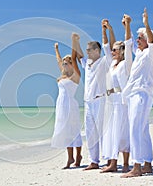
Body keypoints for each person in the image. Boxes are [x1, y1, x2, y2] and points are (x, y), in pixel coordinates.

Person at [121, 8, 153, 178]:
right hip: (134, 94)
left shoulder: (152, 53)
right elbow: (128, 42)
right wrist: (127, 26)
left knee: (135, 128)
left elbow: (151, 40)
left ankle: (136, 166)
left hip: (142, 94)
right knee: (142, 129)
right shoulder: (139, 54)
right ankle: (147, 164)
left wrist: (146, 24)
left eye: (140, 37)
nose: (138, 40)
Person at [75, 21, 114, 171]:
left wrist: (105, 31)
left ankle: (110, 159)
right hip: (88, 102)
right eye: (86, 50)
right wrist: (76, 42)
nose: (87, 53)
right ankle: (93, 161)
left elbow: (108, 47)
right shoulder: (88, 63)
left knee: (103, 131)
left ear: (97, 50)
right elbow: (79, 57)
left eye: (89, 50)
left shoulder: (104, 61)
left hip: (100, 100)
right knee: (90, 132)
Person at [101, 18, 132, 173]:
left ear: (121, 51)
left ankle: (126, 163)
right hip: (111, 101)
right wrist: (106, 30)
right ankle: (113, 163)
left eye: (115, 50)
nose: (112, 52)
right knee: (112, 131)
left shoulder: (126, 64)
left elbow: (127, 43)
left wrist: (127, 26)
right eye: (113, 50)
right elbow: (107, 46)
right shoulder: (112, 63)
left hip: (122, 101)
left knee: (123, 130)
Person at [51, 33, 83, 169]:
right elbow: (58, 60)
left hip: (71, 105)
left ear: (71, 64)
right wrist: (56, 49)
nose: (64, 65)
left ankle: (78, 155)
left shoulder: (75, 76)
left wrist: (73, 42)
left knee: (74, 129)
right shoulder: (63, 75)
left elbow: (74, 59)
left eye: (66, 63)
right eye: (63, 64)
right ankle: (70, 158)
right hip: (61, 106)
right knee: (65, 130)